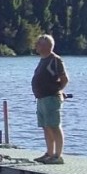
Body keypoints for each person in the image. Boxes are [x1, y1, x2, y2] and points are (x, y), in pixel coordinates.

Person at [31, 34, 69, 165]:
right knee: (46, 126)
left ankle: (58, 156)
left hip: (51, 98)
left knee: (54, 125)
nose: (36, 45)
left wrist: (57, 91)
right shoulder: (43, 59)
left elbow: (64, 79)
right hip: (41, 98)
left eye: (39, 43)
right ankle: (49, 153)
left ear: (46, 46)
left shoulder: (55, 60)